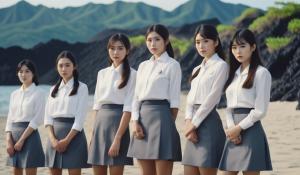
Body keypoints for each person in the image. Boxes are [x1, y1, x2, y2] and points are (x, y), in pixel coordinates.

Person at [127, 24, 182, 175]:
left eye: (157, 39)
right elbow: (136, 97)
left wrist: (168, 125)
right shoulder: (143, 66)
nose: (153, 44)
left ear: (166, 41)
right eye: (149, 40)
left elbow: (175, 100)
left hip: (163, 120)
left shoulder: (173, 65)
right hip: (141, 121)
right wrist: (135, 122)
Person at [219, 28, 272, 175]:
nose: (238, 51)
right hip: (233, 131)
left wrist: (238, 128)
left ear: (253, 47)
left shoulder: (262, 73)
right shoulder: (233, 75)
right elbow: (228, 107)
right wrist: (231, 129)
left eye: (242, 46)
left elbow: (260, 110)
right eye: (234, 47)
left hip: (251, 129)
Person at [183, 24, 228, 175]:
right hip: (192, 124)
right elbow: (190, 99)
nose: (201, 46)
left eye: (205, 41)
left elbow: (212, 98)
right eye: (197, 42)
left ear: (216, 42)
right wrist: (188, 121)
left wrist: (193, 125)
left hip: (208, 123)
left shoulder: (221, 66)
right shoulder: (197, 69)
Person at [88, 33, 136, 175]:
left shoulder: (133, 74)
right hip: (100, 125)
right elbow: (96, 106)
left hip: (118, 125)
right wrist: (93, 135)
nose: (115, 52)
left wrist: (118, 138)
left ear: (127, 51)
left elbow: (128, 109)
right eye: (112, 48)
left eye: (120, 48)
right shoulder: (101, 73)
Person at [44, 50, 90, 175]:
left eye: (67, 65)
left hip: (74, 137)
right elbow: (47, 119)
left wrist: (66, 140)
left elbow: (80, 119)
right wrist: (53, 140)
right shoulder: (52, 90)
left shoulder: (82, 88)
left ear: (74, 66)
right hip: (54, 137)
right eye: (60, 65)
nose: (64, 68)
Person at [5, 59, 45, 175]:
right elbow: (10, 118)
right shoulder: (14, 94)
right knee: (16, 171)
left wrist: (22, 140)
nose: (23, 74)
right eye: (20, 71)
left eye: (27, 71)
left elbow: (38, 118)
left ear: (33, 73)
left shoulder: (39, 93)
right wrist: (8, 140)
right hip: (13, 136)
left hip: (30, 136)